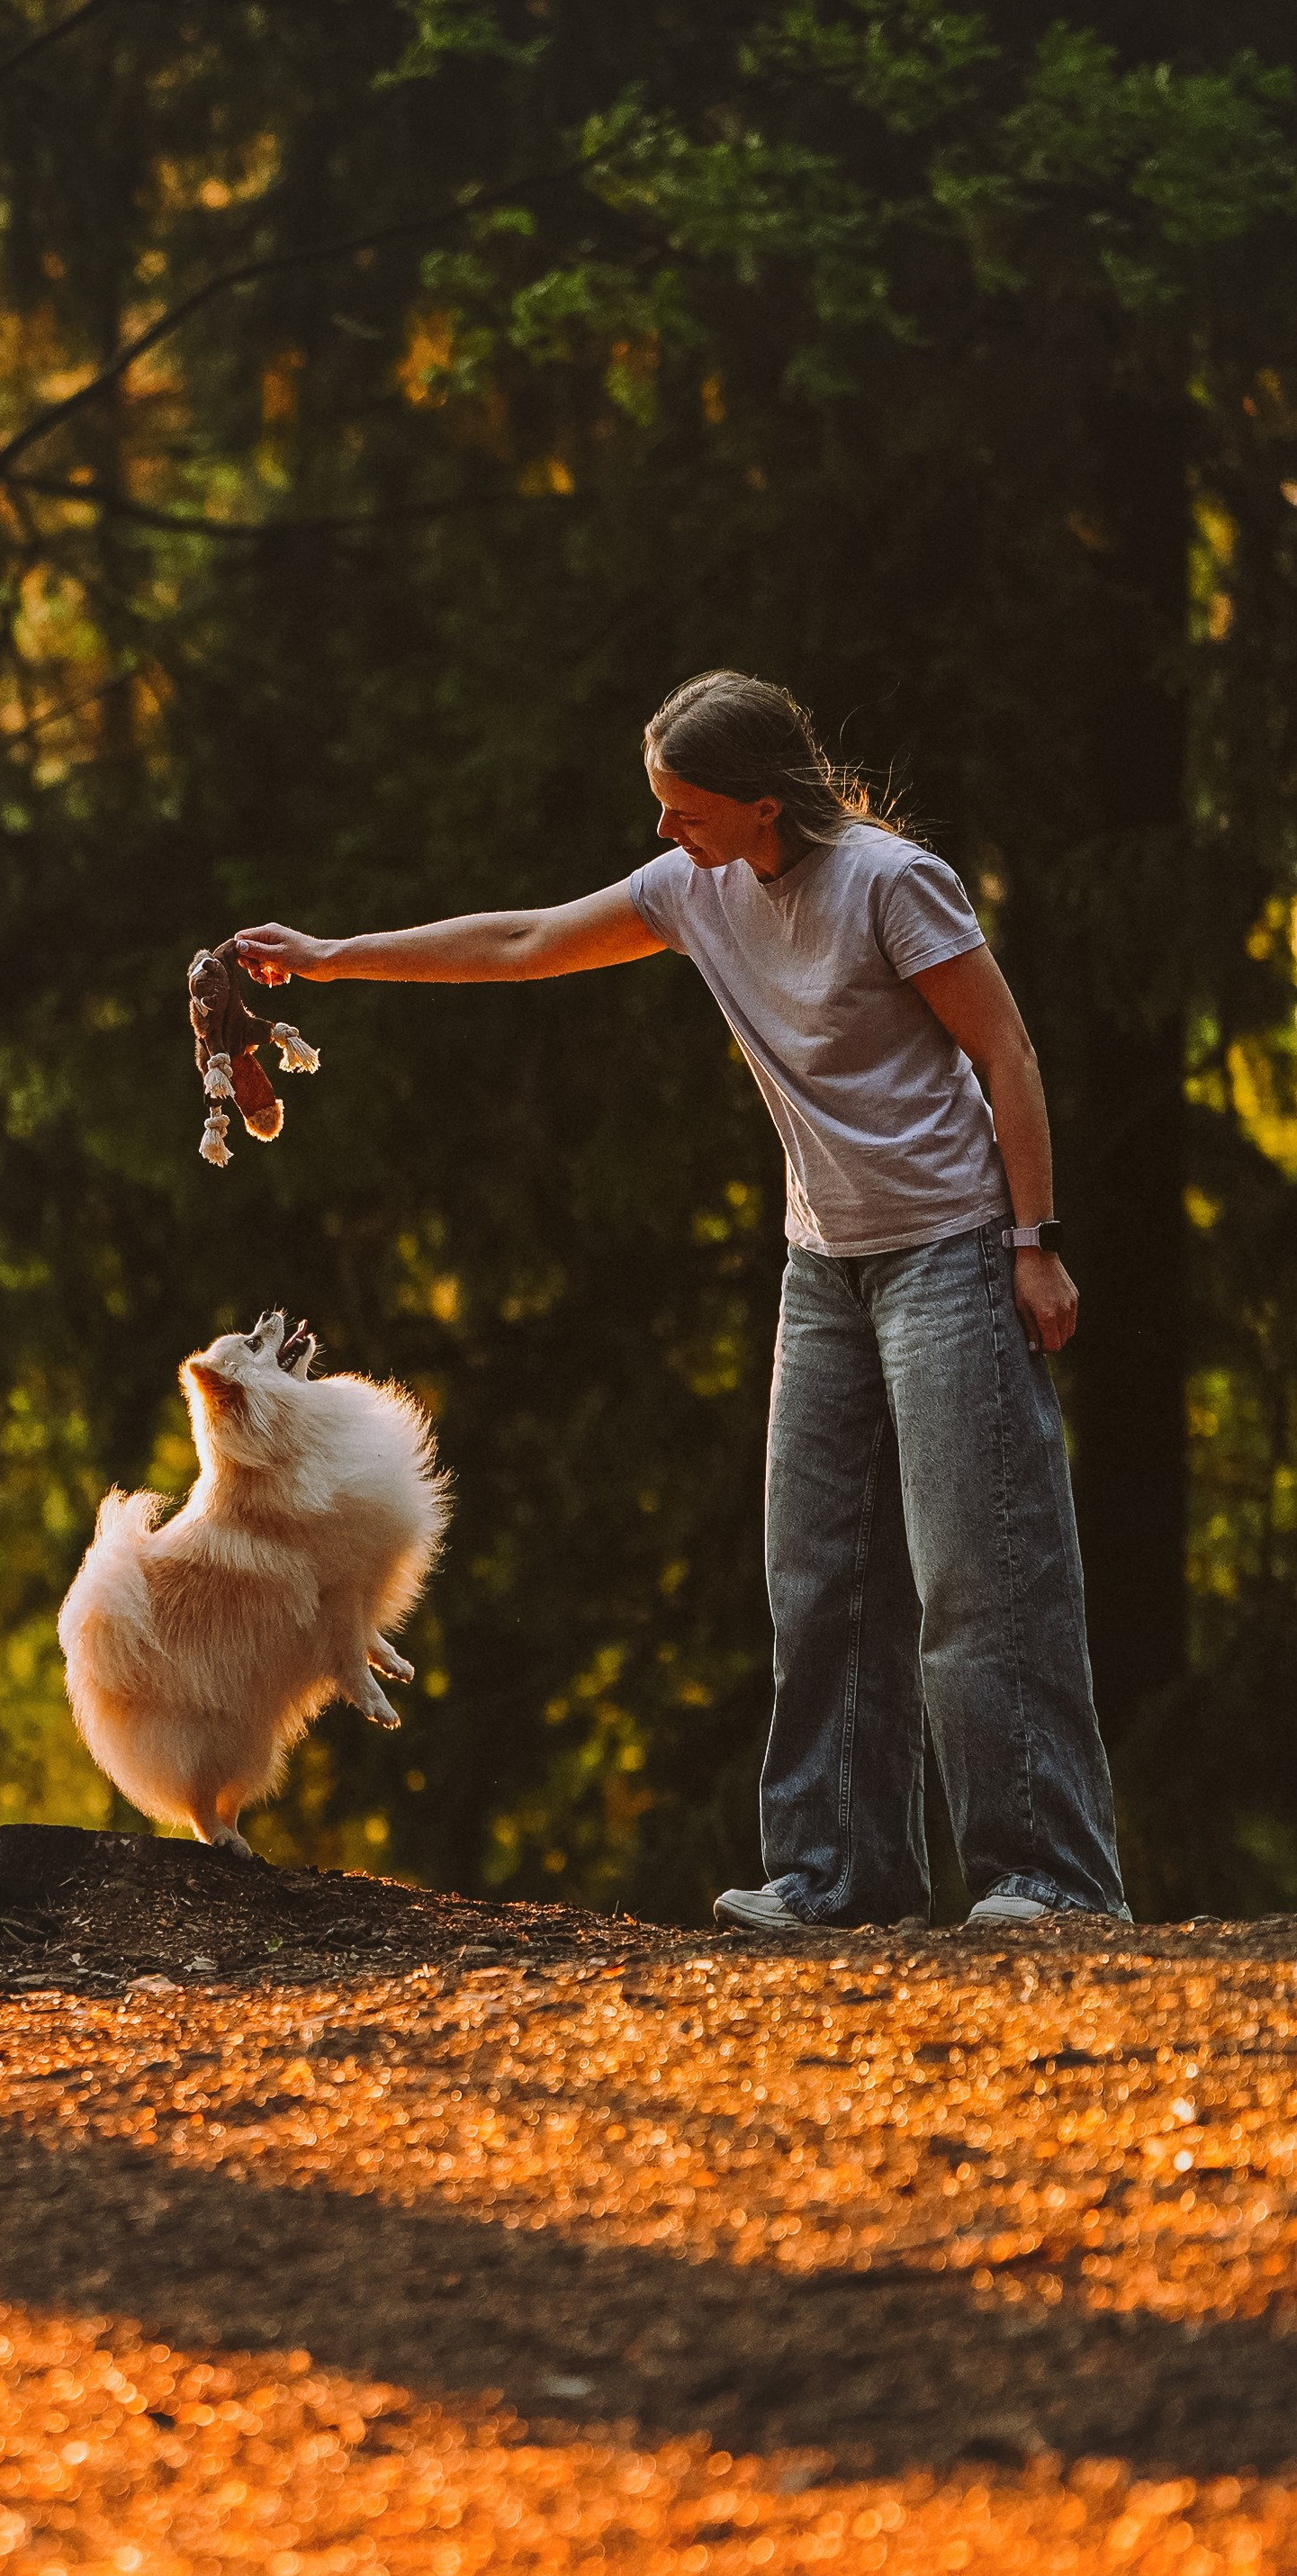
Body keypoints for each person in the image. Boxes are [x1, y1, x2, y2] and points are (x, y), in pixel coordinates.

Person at [233, 668, 1128, 1932]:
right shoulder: (694, 891)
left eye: (684, 806)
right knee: (819, 1580)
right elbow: (525, 939)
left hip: (953, 1248)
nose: (663, 831)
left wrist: (1034, 1239)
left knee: (979, 1569)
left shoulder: (888, 882)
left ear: (764, 805)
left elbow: (1008, 1051)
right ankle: (837, 1877)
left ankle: (1050, 1878)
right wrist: (332, 958)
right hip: (822, 1264)